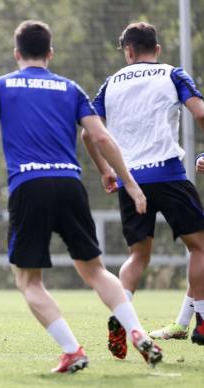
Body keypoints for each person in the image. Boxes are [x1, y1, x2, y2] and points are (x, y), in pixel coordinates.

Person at [0, 20, 162, 373]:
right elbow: (101, 138)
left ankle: (72, 350)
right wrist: (128, 181)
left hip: (29, 184)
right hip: (70, 184)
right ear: (50, 53)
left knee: (28, 280)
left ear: (17, 53)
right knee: (95, 270)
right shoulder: (70, 88)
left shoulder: (1, 85)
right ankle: (137, 330)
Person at [84, 22, 204, 349]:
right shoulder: (172, 74)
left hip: (130, 179)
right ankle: (202, 322)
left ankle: (121, 316)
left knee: (138, 255)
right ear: (157, 49)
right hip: (167, 173)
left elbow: (88, 133)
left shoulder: (111, 83)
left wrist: (106, 170)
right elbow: (200, 113)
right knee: (200, 246)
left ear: (129, 51)